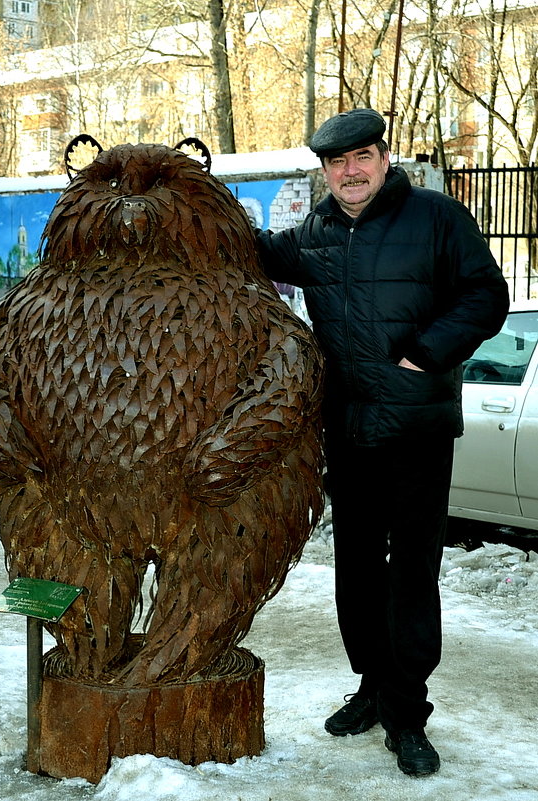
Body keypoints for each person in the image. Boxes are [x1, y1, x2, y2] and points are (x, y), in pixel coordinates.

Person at [255, 108, 510, 777]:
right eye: (335, 163)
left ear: (383, 156)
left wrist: (426, 354)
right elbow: (248, 250)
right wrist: (180, 201)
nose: (349, 171)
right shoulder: (314, 235)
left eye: (360, 157)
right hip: (349, 431)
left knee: (411, 575)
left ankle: (406, 711)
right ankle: (370, 685)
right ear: (324, 171)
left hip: (418, 431)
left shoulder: (435, 217)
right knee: (357, 571)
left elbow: (486, 294)